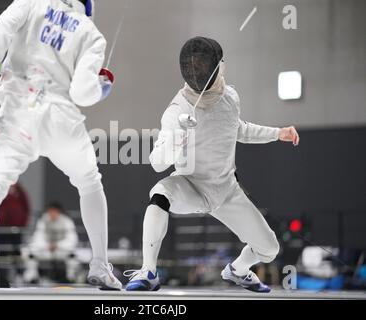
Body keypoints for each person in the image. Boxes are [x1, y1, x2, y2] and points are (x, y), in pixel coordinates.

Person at [0, 0, 121, 290]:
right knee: (90, 184)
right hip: (62, 120)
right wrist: (102, 88)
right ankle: (100, 264)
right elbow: (83, 94)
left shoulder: (29, 2)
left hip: (19, 113)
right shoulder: (91, 33)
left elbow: (0, 28)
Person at [124, 36, 300, 293]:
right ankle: (149, 270)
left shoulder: (230, 97)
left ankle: (238, 270)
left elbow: (236, 128)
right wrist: (177, 139)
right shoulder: (176, 111)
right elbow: (157, 163)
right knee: (160, 194)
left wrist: (277, 133)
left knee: (270, 248)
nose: (198, 69)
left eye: (202, 64)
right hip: (190, 186)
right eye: (193, 65)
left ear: (217, 66)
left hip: (227, 191)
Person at [23, 203, 79, 283]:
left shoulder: (67, 221)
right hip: (46, 249)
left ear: (59, 212)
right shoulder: (43, 220)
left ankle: (71, 277)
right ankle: (32, 277)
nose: (52, 214)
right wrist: (47, 245)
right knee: (30, 252)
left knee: (73, 255)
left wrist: (58, 245)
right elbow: (37, 237)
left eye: (54, 211)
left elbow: (72, 239)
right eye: (50, 211)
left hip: (61, 250)